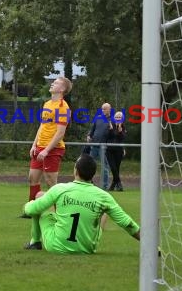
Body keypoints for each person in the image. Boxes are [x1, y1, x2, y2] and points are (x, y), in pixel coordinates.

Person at [22, 154, 140, 253]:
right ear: (93, 174)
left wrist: (28, 205)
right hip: (86, 248)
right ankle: (86, 239)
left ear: (76, 171)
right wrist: (151, 246)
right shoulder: (103, 196)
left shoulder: (60, 188)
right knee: (104, 212)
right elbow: (128, 224)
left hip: (57, 246)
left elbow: (31, 210)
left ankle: (35, 242)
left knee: (39, 197)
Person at [25, 76, 73, 205]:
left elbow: (60, 133)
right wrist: (34, 145)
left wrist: (46, 150)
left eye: (56, 83)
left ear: (62, 89)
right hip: (40, 147)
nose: (52, 84)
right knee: (32, 178)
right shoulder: (47, 104)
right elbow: (42, 126)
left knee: (51, 182)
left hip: (53, 149)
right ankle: (32, 210)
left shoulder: (63, 107)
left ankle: (59, 212)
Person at [87, 102, 112, 190]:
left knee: (105, 166)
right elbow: (92, 129)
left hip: (104, 147)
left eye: (105, 109)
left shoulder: (112, 120)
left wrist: (111, 128)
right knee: (89, 164)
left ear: (109, 109)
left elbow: (113, 135)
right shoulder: (98, 118)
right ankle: (89, 182)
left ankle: (105, 186)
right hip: (94, 145)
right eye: (102, 109)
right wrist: (89, 135)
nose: (103, 110)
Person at [106, 110, 127, 191]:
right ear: (114, 118)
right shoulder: (110, 125)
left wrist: (120, 131)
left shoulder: (123, 127)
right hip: (110, 150)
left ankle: (112, 186)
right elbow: (107, 137)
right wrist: (111, 130)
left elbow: (123, 139)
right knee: (113, 168)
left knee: (117, 169)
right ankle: (119, 184)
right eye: (116, 117)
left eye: (119, 117)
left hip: (119, 151)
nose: (118, 118)